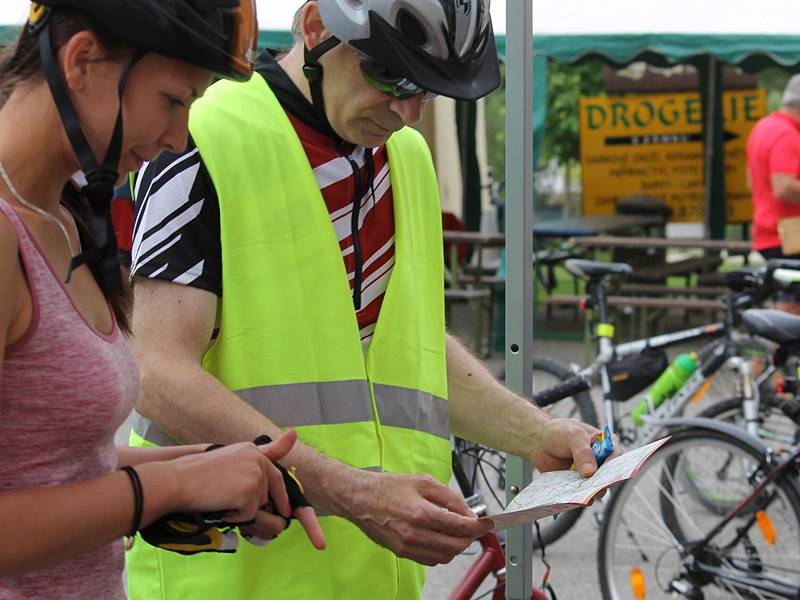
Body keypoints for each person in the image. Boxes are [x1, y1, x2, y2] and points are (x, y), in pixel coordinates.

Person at [126, 1, 605, 598]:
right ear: (315, 27)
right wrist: (355, 494)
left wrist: (536, 433)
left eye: (427, 89)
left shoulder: (406, 157)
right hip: (235, 577)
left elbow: (410, 353)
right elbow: (156, 372)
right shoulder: (203, 136)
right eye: (391, 78)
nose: (407, 112)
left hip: (372, 578)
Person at [0, 2, 323, 598]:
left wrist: (209, 466)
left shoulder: (66, 217)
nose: (179, 139)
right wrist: (170, 491)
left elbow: (53, 470)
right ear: (83, 61)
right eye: (174, 101)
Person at [748, 73, 800, 313]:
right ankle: (786, 350)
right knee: (791, 301)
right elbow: (784, 187)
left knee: (787, 294)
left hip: (768, 231)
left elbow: (751, 181)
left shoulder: (763, 127)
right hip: (788, 235)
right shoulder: (788, 135)